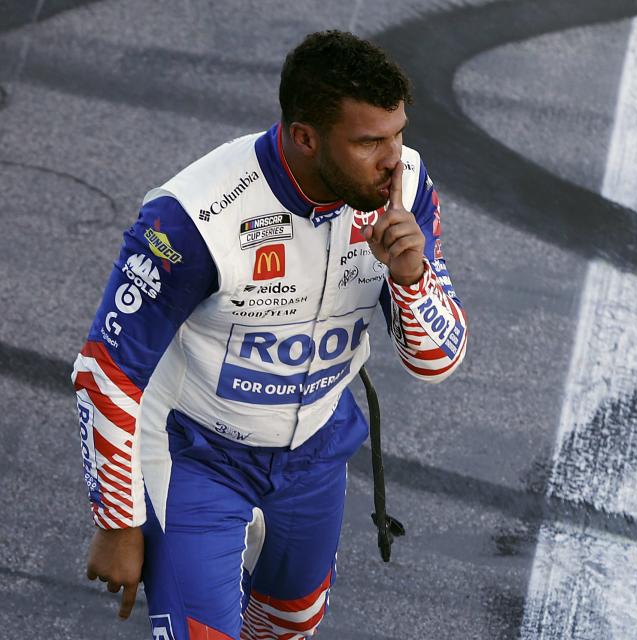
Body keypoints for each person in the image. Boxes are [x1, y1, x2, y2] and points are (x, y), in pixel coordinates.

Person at [71, 30, 467, 639]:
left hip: (315, 453)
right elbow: (108, 371)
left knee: (287, 628)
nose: (393, 160)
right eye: (369, 142)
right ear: (305, 136)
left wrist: (411, 279)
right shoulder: (195, 216)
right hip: (197, 458)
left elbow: (437, 363)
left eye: (399, 134)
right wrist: (119, 521)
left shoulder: (406, 187)